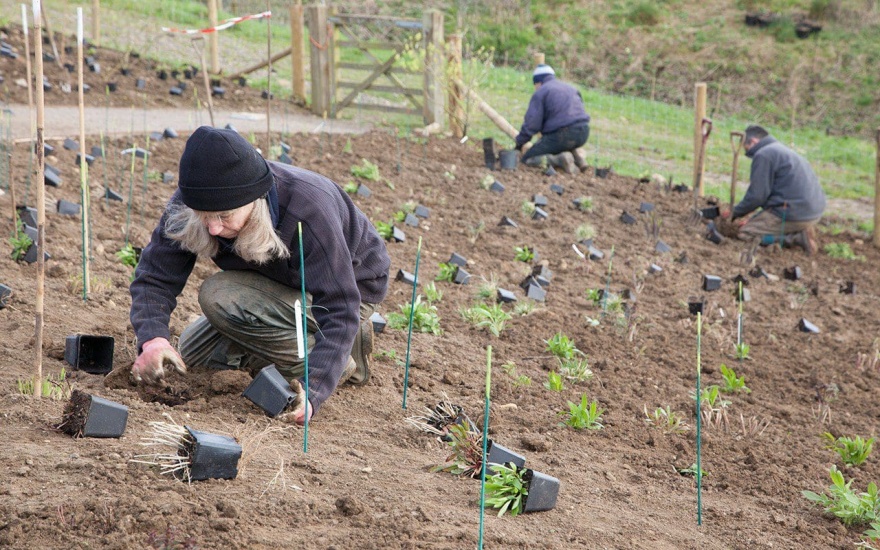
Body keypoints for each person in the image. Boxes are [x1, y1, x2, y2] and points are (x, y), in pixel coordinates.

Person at [129, 126, 391, 425]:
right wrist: (153, 339)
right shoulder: (197, 199)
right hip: (275, 284)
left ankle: (340, 360)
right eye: (204, 217)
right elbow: (155, 275)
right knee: (193, 354)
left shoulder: (309, 210)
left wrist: (314, 385)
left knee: (220, 296)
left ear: (255, 201)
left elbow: (340, 305)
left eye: (224, 217)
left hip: (351, 286)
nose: (212, 228)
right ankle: (321, 342)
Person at [722, 124, 826, 256]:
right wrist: (756, 218)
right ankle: (799, 229)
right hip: (812, 212)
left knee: (746, 233)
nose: (748, 154)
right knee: (754, 224)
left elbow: (757, 197)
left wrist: (735, 213)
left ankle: (794, 238)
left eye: (747, 149)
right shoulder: (780, 150)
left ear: (754, 141)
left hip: (795, 214)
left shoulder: (763, 155)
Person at [514, 64, 591, 174]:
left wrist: (519, 144)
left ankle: (558, 159)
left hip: (564, 134)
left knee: (528, 158)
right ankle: (579, 160)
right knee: (560, 144)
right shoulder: (571, 88)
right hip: (584, 131)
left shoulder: (541, 92)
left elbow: (532, 124)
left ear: (538, 82)